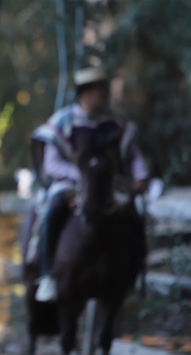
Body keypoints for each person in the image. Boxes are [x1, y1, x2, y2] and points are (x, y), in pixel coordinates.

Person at [31, 67, 149, 302]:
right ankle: (47, 276)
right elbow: (51, 163)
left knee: (134, 216)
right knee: (52, 212)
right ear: (85, 92)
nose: (105, 93)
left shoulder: (115, 123)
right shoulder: (62, 122)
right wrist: (82, 176)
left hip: (110, 186)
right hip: (69, 185)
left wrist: (140, 176)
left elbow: (133, 155)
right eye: (100, 88)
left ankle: (132, 277)